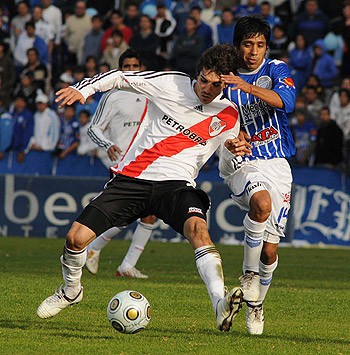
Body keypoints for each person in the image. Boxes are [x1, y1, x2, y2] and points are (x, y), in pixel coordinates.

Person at [37, 44, 248, 333]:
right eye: (203, 80)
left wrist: (234, 152)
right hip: (132, 179)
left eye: (216, 84)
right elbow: (121, 77)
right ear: (196, 74)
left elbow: (225, 166)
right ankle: (71, 291)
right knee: (75, 240)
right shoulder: (171, 82)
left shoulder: (229, 114)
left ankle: (219, 303)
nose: (207, 89)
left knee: (199, 231)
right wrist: (83, 90)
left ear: (226, 82)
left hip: (176, 186)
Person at [219, 15, 296, 335]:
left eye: (260, 45)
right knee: (261, 204)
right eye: (248, 44)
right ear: (238, 47)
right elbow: (218, 127)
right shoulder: (225, 81)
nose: (254, 51)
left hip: (278, 164)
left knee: (270, 250)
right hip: (246, 162)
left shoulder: (276, 69)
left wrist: (248, 86)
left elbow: (287, 102)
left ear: (267, 47)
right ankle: (247, 276)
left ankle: (256, 305)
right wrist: (231, 141)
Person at [86, 49, 155, 278]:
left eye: (135, 66)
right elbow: (93, 128)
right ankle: (93, 249)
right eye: (127, 67)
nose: (132, 71)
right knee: (126, 214)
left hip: (149, 163)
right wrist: (107, 145)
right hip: (123, 163)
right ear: (120, 70)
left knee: (149, 215)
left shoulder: (151, 93)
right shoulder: (112, 96)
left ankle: (126, 265)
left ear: (141, 68)